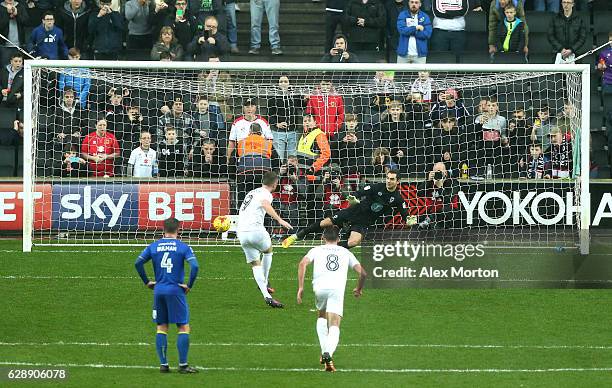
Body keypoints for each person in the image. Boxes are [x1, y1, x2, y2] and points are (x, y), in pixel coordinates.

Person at [283, 170, 413, 250]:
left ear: (398, 181)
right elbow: (359, 192)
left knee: (354, 242)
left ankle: (332, 249)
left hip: (364, 222)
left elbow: (405, 215)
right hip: (353, 212)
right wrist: (353, 198)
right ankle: (294, 237)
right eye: (387, 178)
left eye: (391, 179)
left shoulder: (398, 199)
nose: (388, 181)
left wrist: (409, 221)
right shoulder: (377, 187)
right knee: (324, 223)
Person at [296, 225, 367, 373]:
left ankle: (325, 354)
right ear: (339, 239)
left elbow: (303, 263)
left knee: (321, 316)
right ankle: (328, 352)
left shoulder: (316, 250)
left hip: (319, 289)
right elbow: (363, 274)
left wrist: (301, 287)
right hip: (336, 290)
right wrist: (358, 289)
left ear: (323, 238)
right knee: (334, 324)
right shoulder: (345, 252)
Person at [134, 217, 200, 374]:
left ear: (163, 230)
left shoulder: (154, 246)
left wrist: (147, 282)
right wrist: (189, 285)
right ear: (178, 230)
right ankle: (183, 365)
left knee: (161, 327)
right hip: (175, 291)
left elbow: (138, 263)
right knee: (183, 326)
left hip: (159, 290)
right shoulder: (183, 247)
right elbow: (195, 266)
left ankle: (164, 365)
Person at [237, 171, 293, 308]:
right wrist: (280, 220)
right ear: (275, 184)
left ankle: (267, 296)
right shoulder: (266, 194)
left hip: (241, 233)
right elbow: (265, 204)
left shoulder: (252, 192)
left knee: (256, 263)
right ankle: (266, 281)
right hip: (255, 230)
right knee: (268, 251)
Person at [226, 97, 273, 165]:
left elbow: (270, 140)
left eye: (252, 106)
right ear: (243, 108)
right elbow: (231, 142)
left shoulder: (263, 122)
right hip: (243, 156)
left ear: (255, 108)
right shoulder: (237, 122)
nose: (249, 109)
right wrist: (228, 158)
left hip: (260, 155)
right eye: (247, 106)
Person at [267, 75, 302, 160]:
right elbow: (269, 114)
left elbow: (301, 106)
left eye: (285, 81)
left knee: (292, 158)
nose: (283, 84)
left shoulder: (294, 95)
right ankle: (279, 173)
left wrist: (305, 100)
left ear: (289, 84)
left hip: (293, 131)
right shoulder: (273, 97)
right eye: (281, 82)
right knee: (279, 158)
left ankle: (291, 173)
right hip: (278, 133)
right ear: (278, 84)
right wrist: (276, 124)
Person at [296, 113, 331, 180]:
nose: (307, 123)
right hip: (304, 174)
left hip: (315, 174)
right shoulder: (303, 135)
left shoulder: (319, 135)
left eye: (309, 121)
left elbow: (326, 154)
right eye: (305, 121)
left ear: (315, 123)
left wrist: (313, 168)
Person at [598, 32, 612, 143]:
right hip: (608, 83)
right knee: (608, 111)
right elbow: (601, 66)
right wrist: (601, 66)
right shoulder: (604, 52)